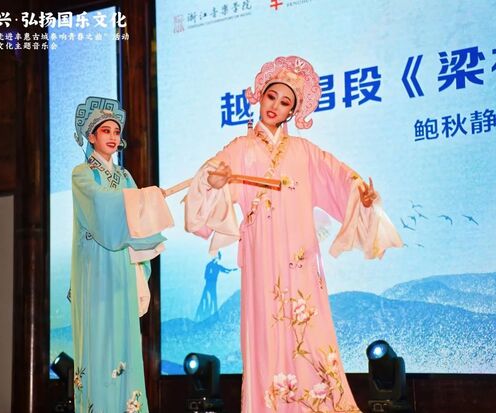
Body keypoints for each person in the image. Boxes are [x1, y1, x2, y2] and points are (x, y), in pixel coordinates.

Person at [184, 56, 402, 413]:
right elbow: (209, 178)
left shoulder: (305, 152)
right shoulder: (239, 148)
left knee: (310, 330)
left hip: (301, 255)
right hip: (261, 258)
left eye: (285, 102)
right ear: (260, 96)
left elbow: (341, 178)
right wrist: (216, 181)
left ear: (292, 112)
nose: (275, 106)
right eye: (271, 97)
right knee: (266, 333)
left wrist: (360, 197)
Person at [70, 96, 173, 413]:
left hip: (124, 268)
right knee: (99, 342)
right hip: (96, 268)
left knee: (126, 341)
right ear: (91, 137)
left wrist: (149, 200)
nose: (113, 137)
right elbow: (101, 205)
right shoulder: (82, 174)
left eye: (116, 131)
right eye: (105, 131)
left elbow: (139, 221)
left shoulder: (126, 176)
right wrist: (143, 199)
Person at [195, 251, 238, 321]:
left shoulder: (217, 266)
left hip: (213, 285)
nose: (218, 258)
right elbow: (205, 276)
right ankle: (205, 316)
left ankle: (214, 316)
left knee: (214, 299)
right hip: (208, 285)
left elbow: (226, 270)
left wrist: (233, 270)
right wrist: (211, 277)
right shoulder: (209, 265)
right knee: (207, 299)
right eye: (218, 257)